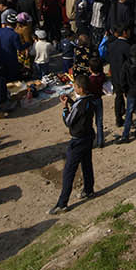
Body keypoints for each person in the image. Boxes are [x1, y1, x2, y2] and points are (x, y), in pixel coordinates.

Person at [49, 74, 97, 215]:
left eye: (75, 86)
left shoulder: (79, 105)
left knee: (69, 171)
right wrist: (71, 102)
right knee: (87, 164)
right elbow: (80, 111)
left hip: (78, 140)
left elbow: (68, 121)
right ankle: (88, 189)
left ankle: (62, 203)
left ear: (80, 89)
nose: (74, 88)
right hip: (88, 136)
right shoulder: (90, 100)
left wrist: (65, 108)